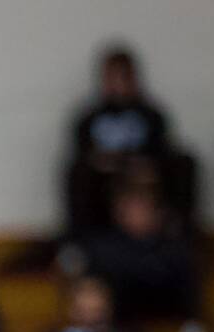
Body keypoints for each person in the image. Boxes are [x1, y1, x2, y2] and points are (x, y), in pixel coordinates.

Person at [64, 44, 194, 238]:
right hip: (105, 180)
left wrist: (140, 165)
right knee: (77, 172)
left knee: (185, 162)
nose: (118, 84)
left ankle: (183, 235)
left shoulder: (151, 115)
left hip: (144, 173)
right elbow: (85, 153)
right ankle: (79, 242)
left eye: (123, 76)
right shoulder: (89, 118)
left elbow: (161, 149)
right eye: (112, 77)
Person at [73, 186, 201, 326]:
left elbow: (186, 299)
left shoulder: (173, 250)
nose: (136, 215)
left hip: (166, 324)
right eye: (130, 210)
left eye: (142, 209)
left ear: (157, 213)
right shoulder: (103, 249)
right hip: (117, 327)